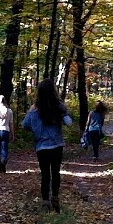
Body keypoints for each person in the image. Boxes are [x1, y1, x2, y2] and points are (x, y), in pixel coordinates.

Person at [22, 81, 71, 211]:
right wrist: (63, 113)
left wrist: (36, 128)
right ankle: (55, 198)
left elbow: (25, 125)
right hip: (57, 145)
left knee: (45, 174)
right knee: (56, 172)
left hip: (41, 146)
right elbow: (69, 123)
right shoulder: (58, 107)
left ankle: (45, 201)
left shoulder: (34, 109)